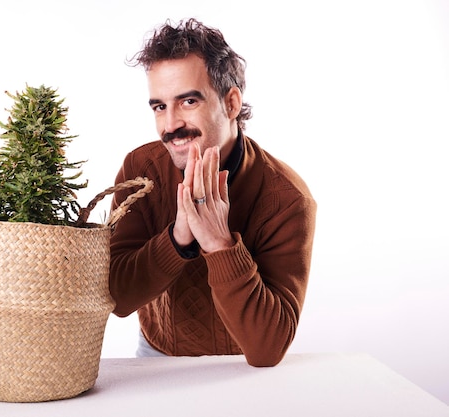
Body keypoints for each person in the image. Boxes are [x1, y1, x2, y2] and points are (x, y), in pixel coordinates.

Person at [109, 18, 317, 367]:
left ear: (231, 103)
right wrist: (177, 241)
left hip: (242, 369)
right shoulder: (140, 170)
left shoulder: (287, 199)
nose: (170, 124)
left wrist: (220, 245)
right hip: (156, 359)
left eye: (188, 101)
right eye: (160, 106)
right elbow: (116, 298)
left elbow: (268, 349)